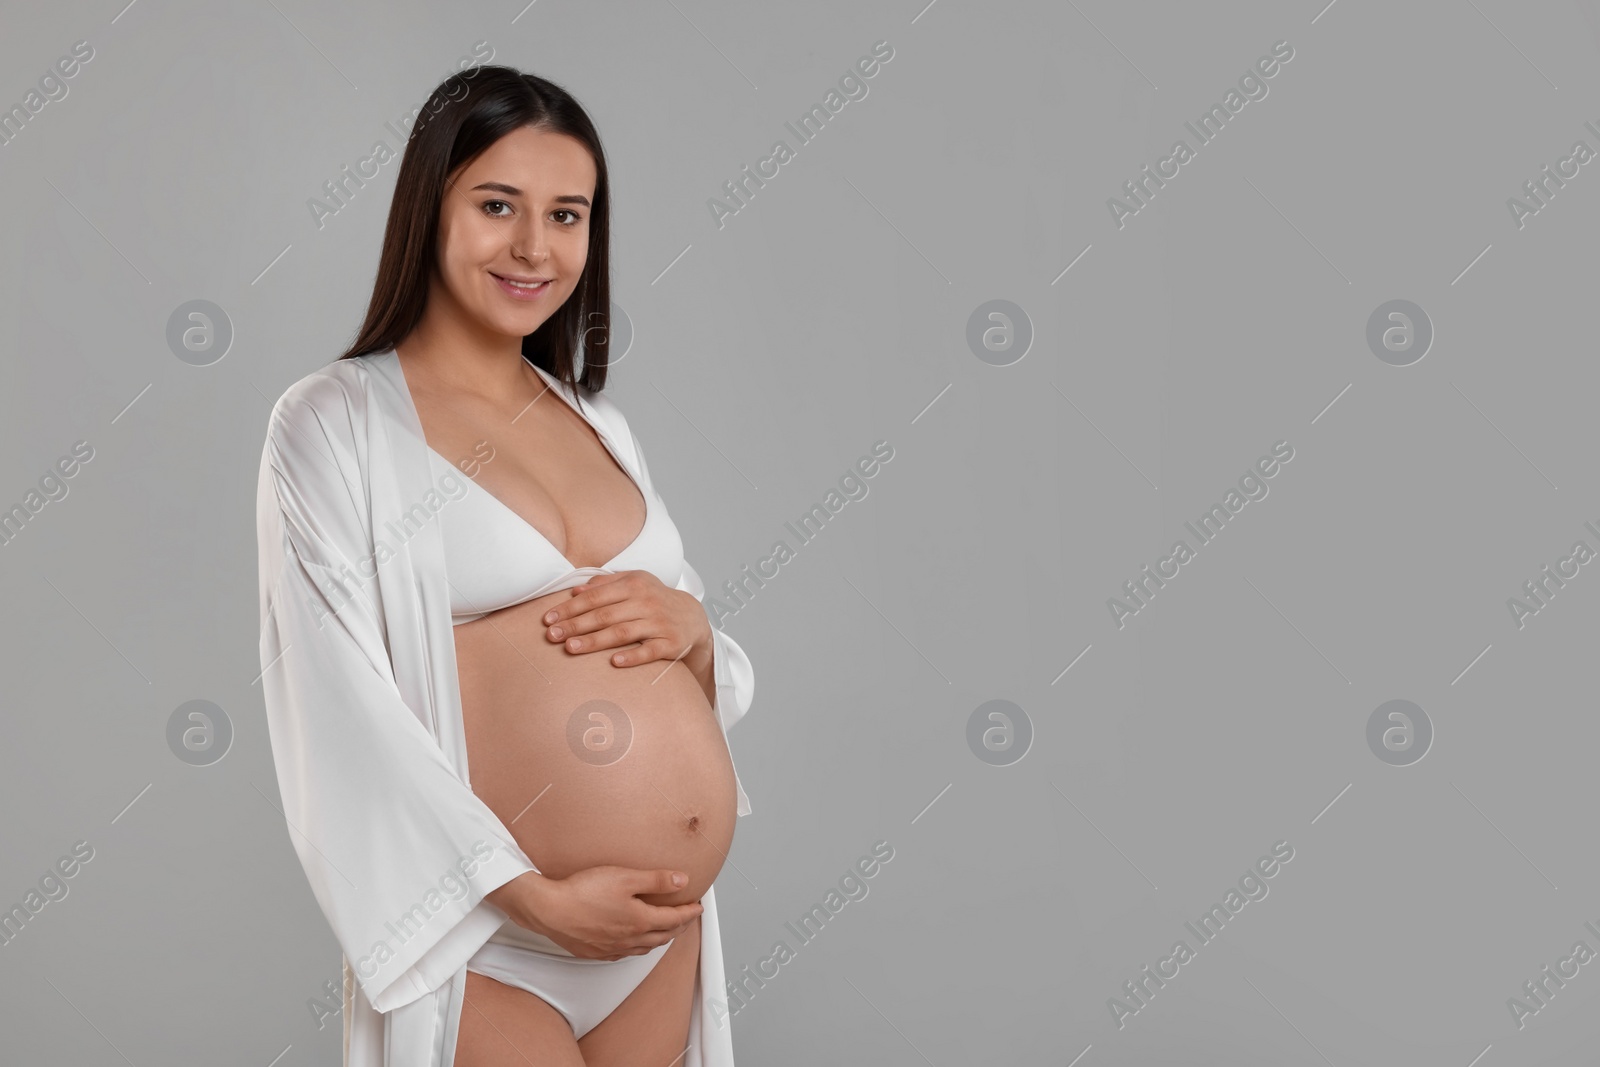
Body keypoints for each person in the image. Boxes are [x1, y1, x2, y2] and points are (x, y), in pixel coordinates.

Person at [255, 65, 755, 1067]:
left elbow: (688, 638)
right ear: (426, 211)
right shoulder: (334, 423)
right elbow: (333, 702)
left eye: (566, 214)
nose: (535, 246)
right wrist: (530, 896)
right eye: (497, 205)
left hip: (658, 934)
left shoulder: (600, 422)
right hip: (485, 936)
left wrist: (698, 633)